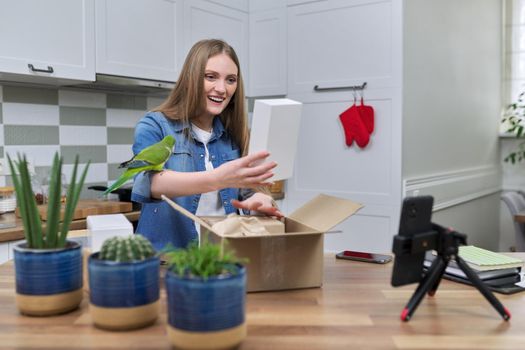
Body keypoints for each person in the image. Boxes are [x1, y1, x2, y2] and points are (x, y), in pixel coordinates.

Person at [131, 39, 283, 250]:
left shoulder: (234, 134)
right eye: (210, 77)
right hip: (167, 261)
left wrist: (258, 202)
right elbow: (150, 184)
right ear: (191, 78)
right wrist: (216, 179)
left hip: (221, 259)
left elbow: (246, 192)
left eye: (231, 80)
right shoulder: (155, 125)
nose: (222, 89)